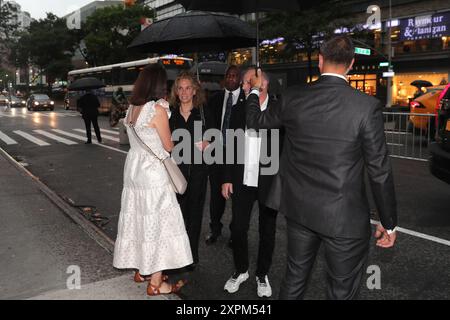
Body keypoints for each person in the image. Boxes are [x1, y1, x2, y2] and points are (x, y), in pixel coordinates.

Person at [246, 35, 398, 300]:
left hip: (300, 211)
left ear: (319, 60)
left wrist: (255, 89)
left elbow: (256, 121)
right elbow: (379, 170)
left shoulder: (294, 97)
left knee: (294, 280)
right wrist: (389, 222)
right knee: (341, 291)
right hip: (344, 218)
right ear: (351, 64)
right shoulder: (365, 107)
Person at [113, 64, 193, 296]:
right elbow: (168, 146)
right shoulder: (158, 109)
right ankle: (156, 282)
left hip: (134, 169)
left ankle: (143, 270)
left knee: (138, 219)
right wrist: (190, 143)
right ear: (159, 85)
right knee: (159, 224)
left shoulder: (131, 108)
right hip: (152, 173)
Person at [222, 68, 283, 298]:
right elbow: (229, 146)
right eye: (245, 83)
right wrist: (227, 177)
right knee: (237, 228)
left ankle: (262, 274)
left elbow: (286, 147)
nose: (244, 86)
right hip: (242, 179)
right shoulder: (238, 109)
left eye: (248, 83)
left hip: (269, 181)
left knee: (267, 230)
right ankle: (241, 270)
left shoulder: (279, 111)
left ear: (263, 84)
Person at [169, 72, 212, 269]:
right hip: (176, 172)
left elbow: (218, 138)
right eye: (181, 88)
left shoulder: (203, 112)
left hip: (198, 172)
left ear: (194, 91)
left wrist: (209, 142)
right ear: (176, 92)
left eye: (188, 88)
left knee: (195, 215)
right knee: (177, 215)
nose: (184, 92)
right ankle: (177, 255)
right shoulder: (169, 113)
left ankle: (191, 256)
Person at [205, 65, 245, 245]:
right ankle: (215, 229)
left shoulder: (246, 99)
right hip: (217, 155)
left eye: (235, 76)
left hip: (237, 157)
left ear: (240, 79)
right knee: (216, 197)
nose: (231, 78)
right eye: (228, 75)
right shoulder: (214, 99)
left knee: (237, 198)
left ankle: (235, 233)